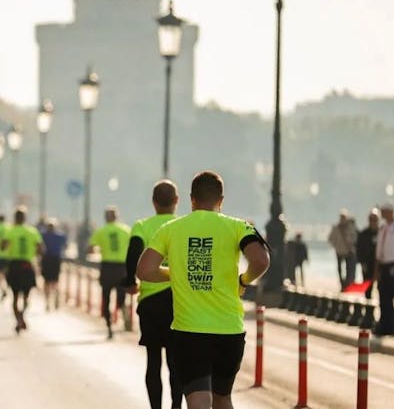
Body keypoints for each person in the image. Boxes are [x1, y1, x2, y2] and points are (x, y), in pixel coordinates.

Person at [137, 171, 270, 409]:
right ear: (221, 200)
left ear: (192, 199)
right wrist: (243, 280)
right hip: (229, 331)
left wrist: (175, 273)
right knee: (222, 398)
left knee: (198, 401)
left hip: (189, 332)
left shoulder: (170, 228)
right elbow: (261, 260)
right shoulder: (239, 226)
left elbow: (145, 270)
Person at [122, 180, 183, 409]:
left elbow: (133, 255)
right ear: (177, 201)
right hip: (179, 301)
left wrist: (131, 282)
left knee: (153, 360)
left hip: (150, 303)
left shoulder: (142, 226)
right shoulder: (183, 225)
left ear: (154, 202)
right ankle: (176, 406)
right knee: (176, 361)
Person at [90, 206, 132, 339]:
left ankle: (109, 327)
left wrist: (100, 249)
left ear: (105, 218)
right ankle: (123, 309)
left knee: (106, 297)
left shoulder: (101, 231)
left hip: (107, 267)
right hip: (122, 267)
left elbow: (91, 248)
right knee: (121, 295)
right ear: (117, 217)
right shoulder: (126, 230)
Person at [1, 207, 43, 333]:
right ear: (25, 218)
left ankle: (18, 319)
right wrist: (33, 254)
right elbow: (40, 248)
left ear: (15, 218)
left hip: (14, 265)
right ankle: (22, 316)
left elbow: (3, 246)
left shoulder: (11, 231)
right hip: (27, 265)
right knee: (26, 297)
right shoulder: (32, 231)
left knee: (14, 297)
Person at [374, 203, 394, 336]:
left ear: (390, 212)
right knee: (384, 297)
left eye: (384, 211)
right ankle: (386, 325)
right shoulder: (382, 228)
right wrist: (377, 270)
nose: (382, 214)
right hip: (384, 266)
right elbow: (378, 252)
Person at [40, 219, 67, 311]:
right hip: (54, 260)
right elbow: (65, 246)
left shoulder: (43, 235)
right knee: (54, 282)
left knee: (48, 282)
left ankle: (50, 301)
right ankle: (54, 300)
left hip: (47, 260)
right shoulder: (60, 236)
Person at [328, 210, 358, 289]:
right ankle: (342, 284)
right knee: (340, 269)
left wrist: (351, 245)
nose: (343, 219)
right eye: (341, 217)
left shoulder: (350, 227)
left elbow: (355, 237)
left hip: (349, 251)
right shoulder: (336, 228)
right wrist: (336, 246)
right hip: (339, 251)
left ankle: (347, 284)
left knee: (349, 268)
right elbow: (330, 239)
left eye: (344, 217)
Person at [356, 209, 380, 299]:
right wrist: (362, 263)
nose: (373, 221)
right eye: (371, 219)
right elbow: (358, 249)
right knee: (367, 286)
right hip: (367, 263)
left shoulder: (382, 232)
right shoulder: (363, 234)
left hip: (380, 263)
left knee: (382, 286)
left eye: (375, 219)